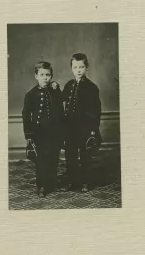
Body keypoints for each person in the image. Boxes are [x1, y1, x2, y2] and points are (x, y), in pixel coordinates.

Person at [22, 61, 64, 197]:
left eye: (48, 75)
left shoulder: (54, 91)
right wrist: (28, 134)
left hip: (54, 132)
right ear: (36, 76)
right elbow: (26, 115)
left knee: (53, 158)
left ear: (51, 76)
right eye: (42, 75)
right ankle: (41, 186)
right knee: (41, 161)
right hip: (39, 133)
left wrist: (57, 88)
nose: (45, 77)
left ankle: (51, 184)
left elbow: (61, 106)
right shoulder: (31, 94)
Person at [63, 53, 102, 192]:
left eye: (81, 67)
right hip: (70, 127)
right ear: (71, 69)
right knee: (70, 155)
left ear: (87, 68)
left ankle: (87, 182)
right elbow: (61, 100)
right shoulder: (68, 85)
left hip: (85, 128)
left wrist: (92, 130)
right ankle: (73, 181)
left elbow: (96, 111)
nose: (78, 70)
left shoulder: (92, 88)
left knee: (85, 155)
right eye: (75, 67)